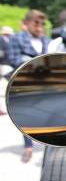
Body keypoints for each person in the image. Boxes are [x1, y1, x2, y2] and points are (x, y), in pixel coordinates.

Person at [7, 10, 51, 163]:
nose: (39, 27)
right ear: (26, 24)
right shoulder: (16, 38)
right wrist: (34, 64)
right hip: (23, 82)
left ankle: (48, 142)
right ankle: (28, 146)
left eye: (42, 24)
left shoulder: (47, 40)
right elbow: (13, 59)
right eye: (36, 23)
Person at [0, 26, 14, 117]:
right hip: (3, 63)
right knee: (3, 84)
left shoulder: (11, 40)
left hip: (9, 63)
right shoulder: (1, 39)